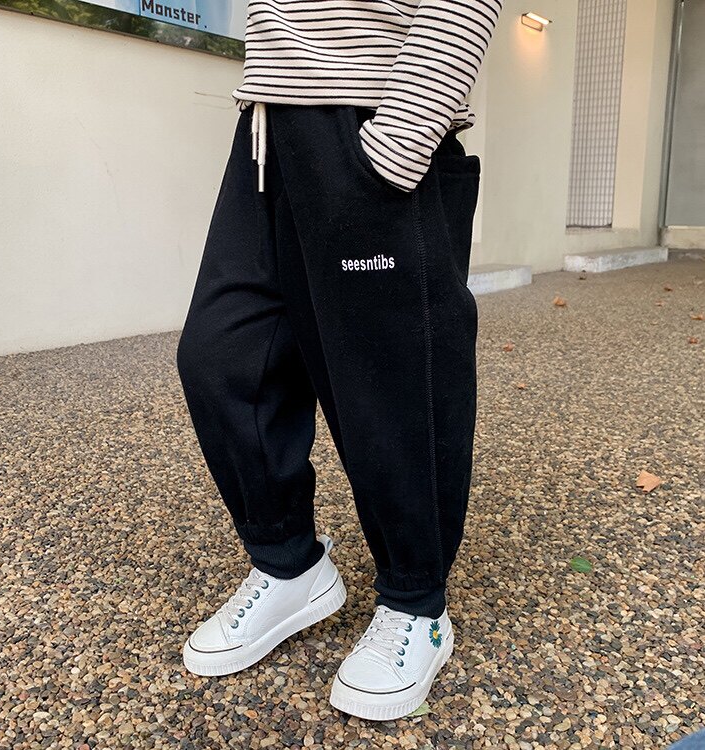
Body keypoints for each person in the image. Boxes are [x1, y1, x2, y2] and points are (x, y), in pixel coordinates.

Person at [176, 0, 503, 721]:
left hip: (372, 122)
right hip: (266, 132)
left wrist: (398, 142)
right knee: (222, 355)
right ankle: (289, 563)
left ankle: (416, 602)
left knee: (394, 384)